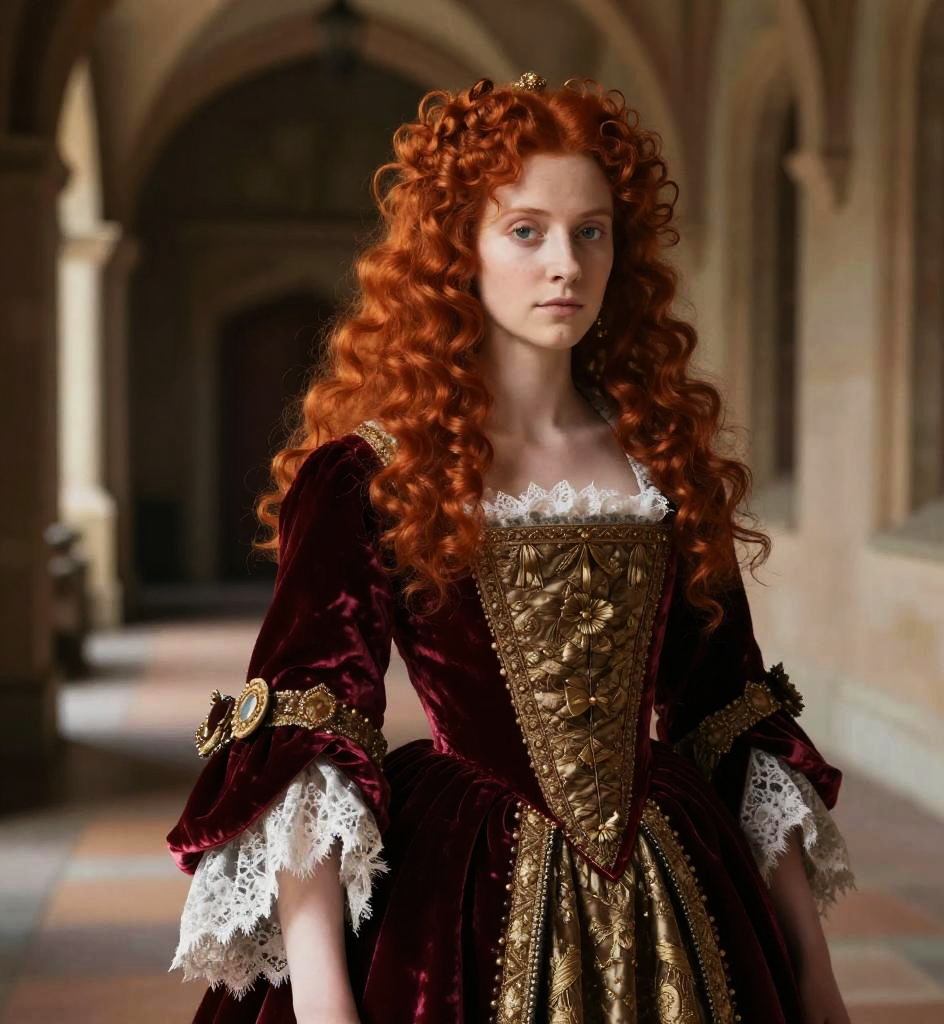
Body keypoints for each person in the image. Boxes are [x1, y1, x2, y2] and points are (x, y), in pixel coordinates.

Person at [167, 72, 856, 1024]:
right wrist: (326, 999)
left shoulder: (661, 465)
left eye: (591, 230)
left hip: (675, 890)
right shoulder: (368, 475)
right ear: (460, 250)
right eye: (525, 230)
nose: (564, 263)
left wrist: (815, 979)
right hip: (459, 901)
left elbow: (730, 718)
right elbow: (311, 745)